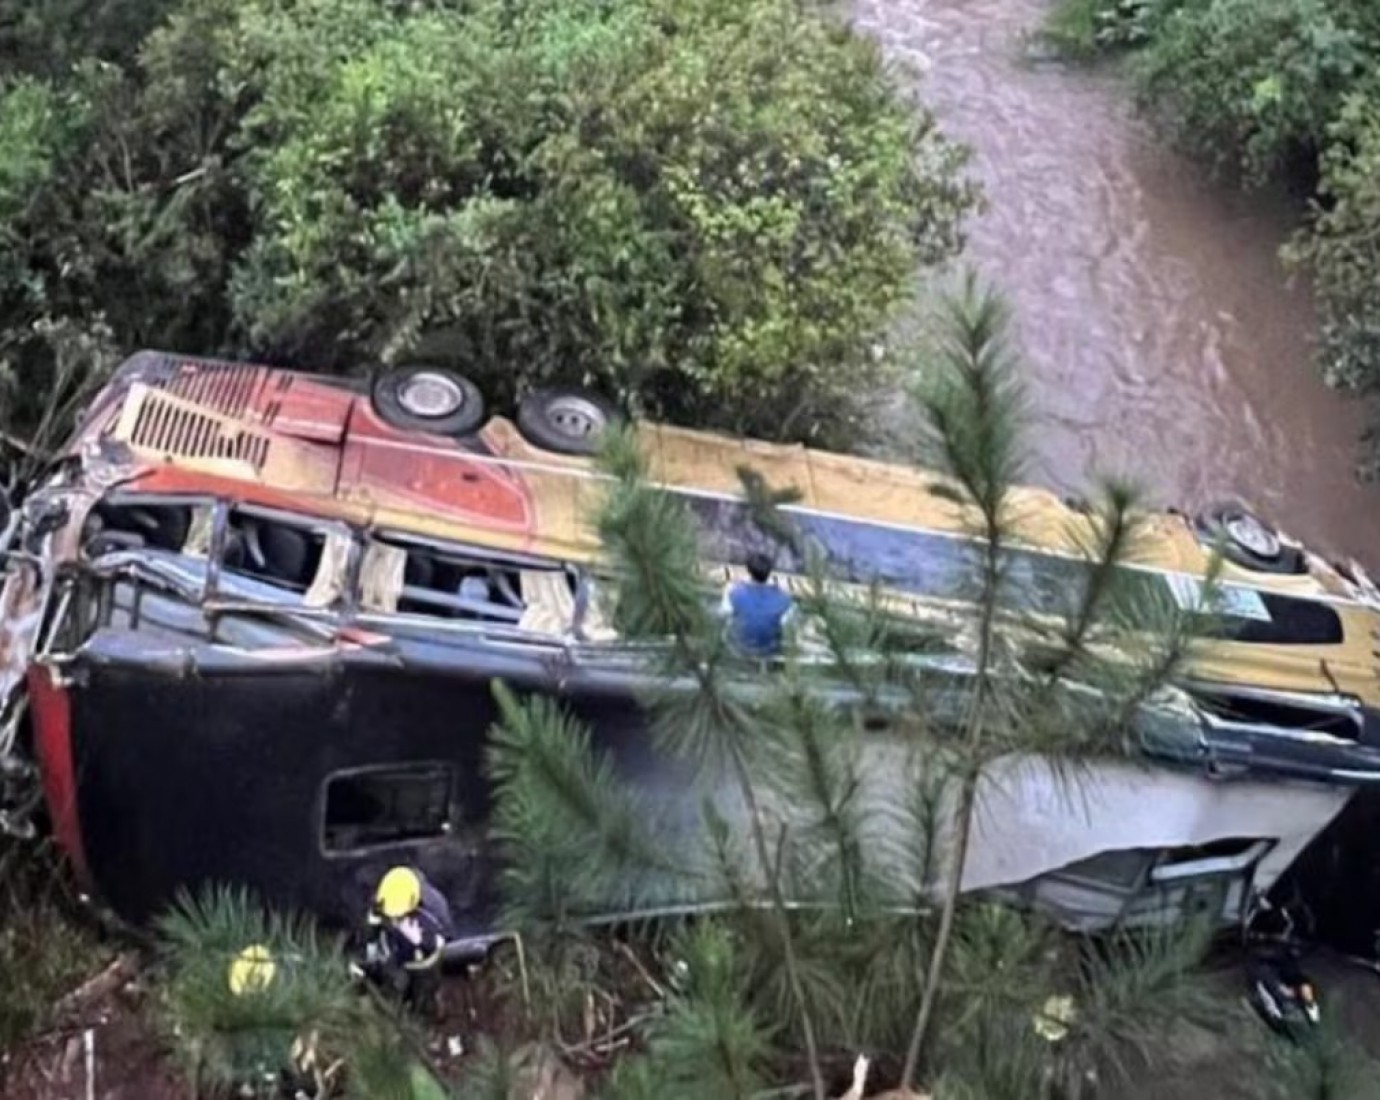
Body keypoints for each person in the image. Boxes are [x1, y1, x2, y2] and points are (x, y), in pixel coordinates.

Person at [361, 866, 456, 1012]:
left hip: (426, 958)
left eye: (399, 917)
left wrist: (420, 941)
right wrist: (371, 955)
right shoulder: (386, 897)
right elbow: (372, 928)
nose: (395, 920)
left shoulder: (431, 912)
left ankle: (425, 1006)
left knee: (422, 986)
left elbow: (442, 944)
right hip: (398, 948)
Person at [719, 550, 795, 657]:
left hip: (738, 650)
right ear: (769, 572)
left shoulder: (734, 592)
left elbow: (723, 613)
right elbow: (788, 625)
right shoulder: (784, 598)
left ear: (748, 570)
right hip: (769, 652)